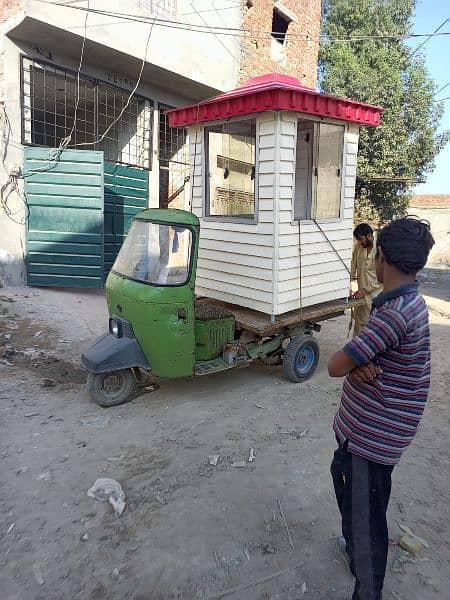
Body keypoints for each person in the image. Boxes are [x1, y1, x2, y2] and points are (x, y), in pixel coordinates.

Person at [328, 217, 435, 600]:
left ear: (381, 260)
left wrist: (354, 364)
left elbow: (333, 366)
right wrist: (361, 364)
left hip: (371, 441)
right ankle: (355, 550)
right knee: (347, 487)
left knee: (367, 518)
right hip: (369, 434)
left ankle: (367, 586)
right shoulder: (412, 302)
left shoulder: (393, 315)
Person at [351, 223, 382, 336]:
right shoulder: (359, 248)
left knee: (374, 333)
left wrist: (364, 291)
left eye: (361, 239)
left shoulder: (380, 249)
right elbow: (352, 267)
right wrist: (347, 286)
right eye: (358, 240)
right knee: (358, 332)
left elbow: (382, 278)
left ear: (369, 236)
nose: (359, 242)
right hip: (361, 298)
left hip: (376, 298)